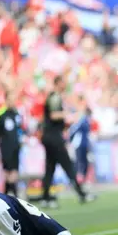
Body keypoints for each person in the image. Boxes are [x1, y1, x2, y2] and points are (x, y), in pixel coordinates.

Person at [40, 76, 95, 209]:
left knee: (50, 167)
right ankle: (81, 193)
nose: (65, 85)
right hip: (53, 136)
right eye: (64, 82)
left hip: (50, 135)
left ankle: (46, 197)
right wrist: (68, 115)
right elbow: (53, 115)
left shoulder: (56, 97)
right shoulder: (55, 97)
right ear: (58, 83)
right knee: (67, 165)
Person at [0, 92, 24, 198]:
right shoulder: (1, 116)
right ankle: (14, 196)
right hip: (6, 148)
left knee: (14, 172)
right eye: (10, 100)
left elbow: (20, 130)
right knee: (8, 173)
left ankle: (7, 197)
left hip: (16, 148)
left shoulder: (17, 115)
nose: (12, 102)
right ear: (6, 101)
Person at [69, 100, 92, 186]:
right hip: (78, 144)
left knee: (84, 161)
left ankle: (82, 178)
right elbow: (73, 131)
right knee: (79, 162)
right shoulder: (80, 120)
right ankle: (77, 179)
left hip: (84, 143)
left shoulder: (85, 119)